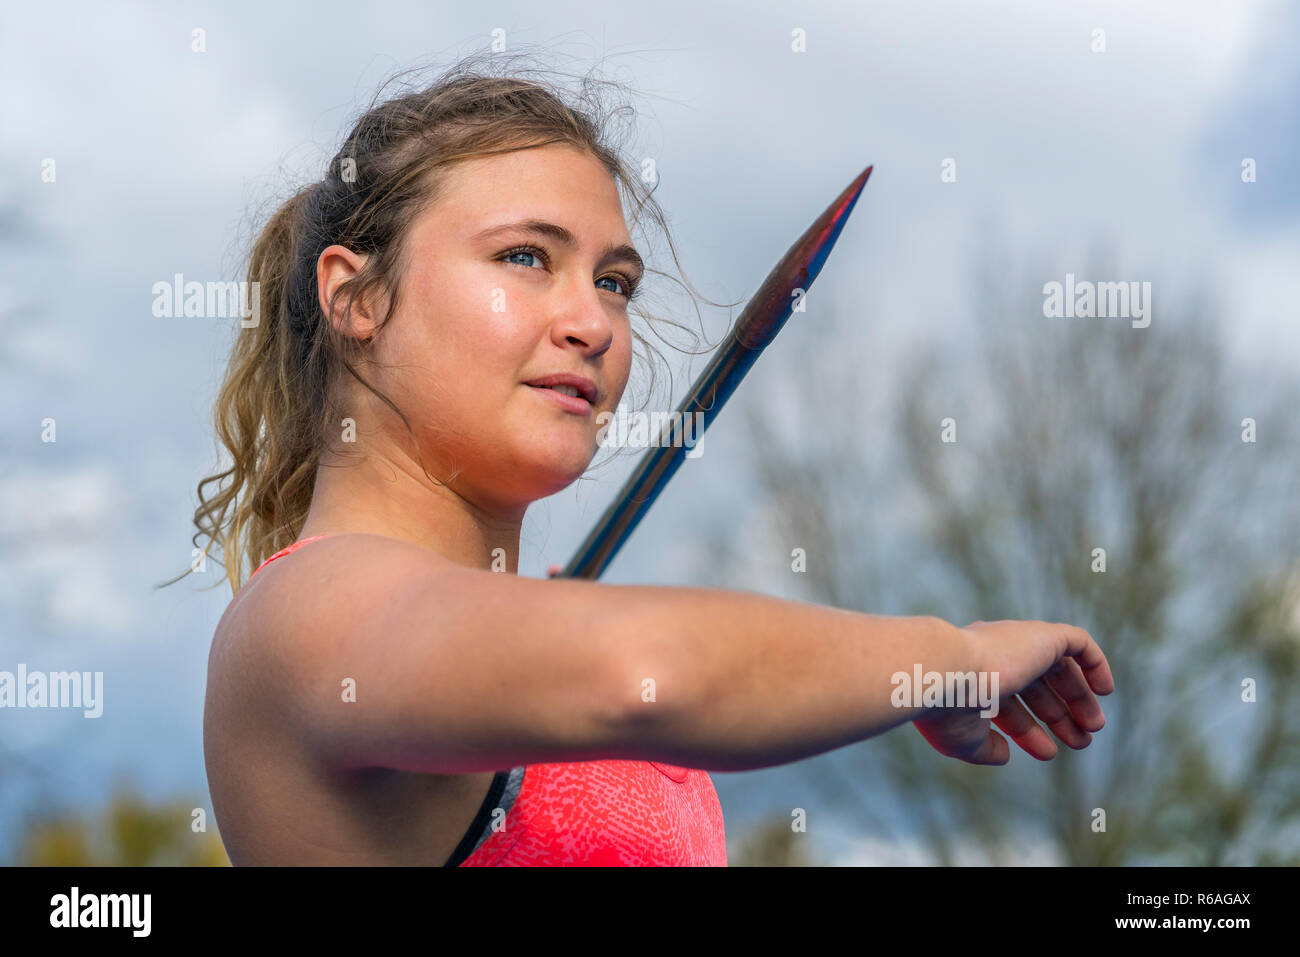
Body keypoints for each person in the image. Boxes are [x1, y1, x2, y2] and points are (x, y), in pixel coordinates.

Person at [190, 57, 1113, 866]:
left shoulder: (542, 620)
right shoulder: (309, 615)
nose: (592, 323)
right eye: (524, 256)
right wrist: (945, 656)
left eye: (614, 282)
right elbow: (647, 674)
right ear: (357, 297)